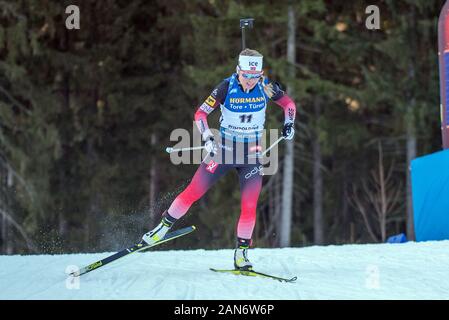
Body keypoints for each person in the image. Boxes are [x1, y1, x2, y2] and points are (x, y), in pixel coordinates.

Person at [142, 48, 297, 270]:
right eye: (246, 75)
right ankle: (162, 229)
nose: (251, 81)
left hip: (251, 154)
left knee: (249, 206)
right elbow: (200, 114)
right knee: (193, 191)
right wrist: (206, 137)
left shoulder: (266, 86)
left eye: (255, 76)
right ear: (238, 70)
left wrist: (289, 124)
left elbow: (289, 105)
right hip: (224, 150)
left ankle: (241, 254)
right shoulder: (226, 87)